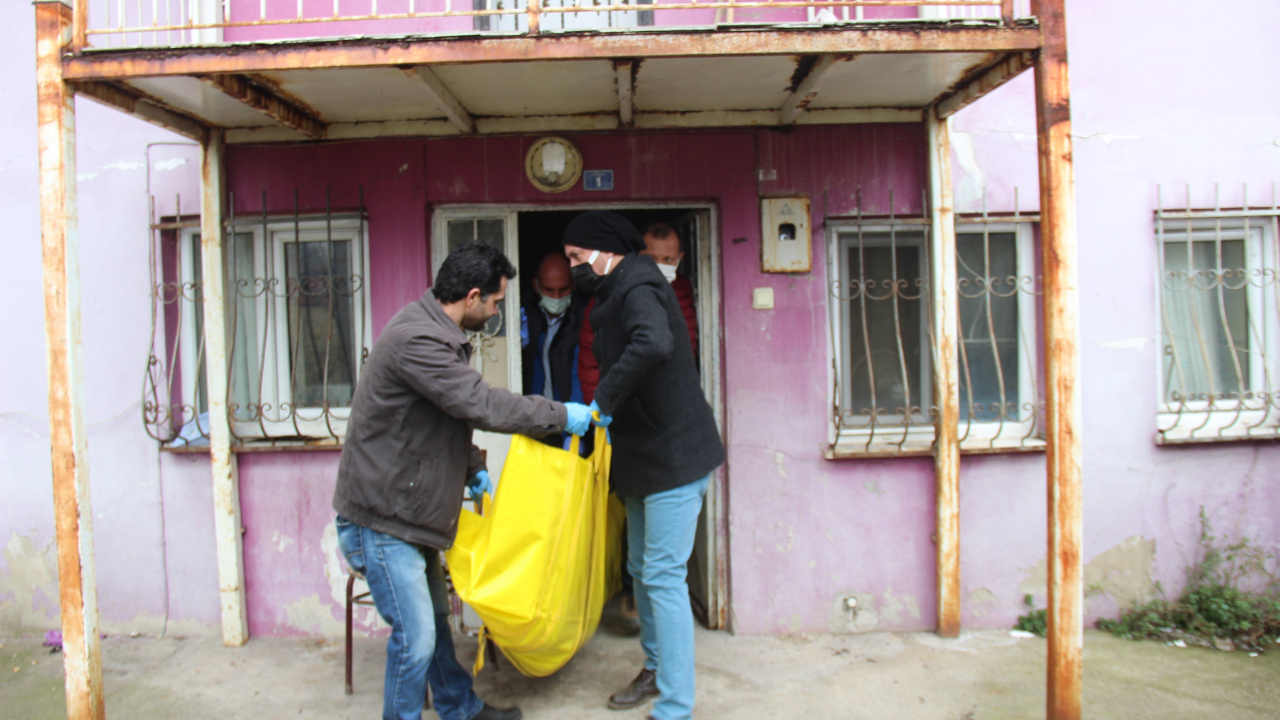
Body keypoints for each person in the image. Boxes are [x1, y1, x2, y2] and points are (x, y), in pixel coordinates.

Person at [332, 241, 595, 720]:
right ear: (472, 296)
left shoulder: (438, 333)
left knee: (431, 624)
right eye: (495, 302)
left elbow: (442, 415)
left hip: (407, 514)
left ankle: (461, 710)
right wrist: (561, 415)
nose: (497, 312)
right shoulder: (419, 340)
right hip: (381, 520)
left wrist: (473, 467)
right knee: (415, 641)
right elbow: (481, 404)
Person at [563, 211, 725, 720]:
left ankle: (675, 706)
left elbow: (653, 343)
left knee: (661, 576)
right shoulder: (612, 289)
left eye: (574, 257)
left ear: (603, 250)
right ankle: (657, 669)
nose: (572, 268)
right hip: (639, 456)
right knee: (642, 569)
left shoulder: (636, 281)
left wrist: (600, 404)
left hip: (674, 454)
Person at [579, 221, 698, 402]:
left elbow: (688, 352)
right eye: (651, 258)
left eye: (668, 260)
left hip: (673, 404)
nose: (658, 266)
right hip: (626, 401)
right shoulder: (610, 292)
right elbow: (592, 360)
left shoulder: (685, 290)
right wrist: (597, 407)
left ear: (680, 258)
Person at [520, 254, 586, 447]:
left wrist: (574, 433)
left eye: (563, 289)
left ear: (574, 285)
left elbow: (581, 374)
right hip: (533, 422)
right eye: (549, 290)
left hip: (570, 423)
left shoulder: (584, 318)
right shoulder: (523, 315)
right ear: (536, 286)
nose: (556, 297)